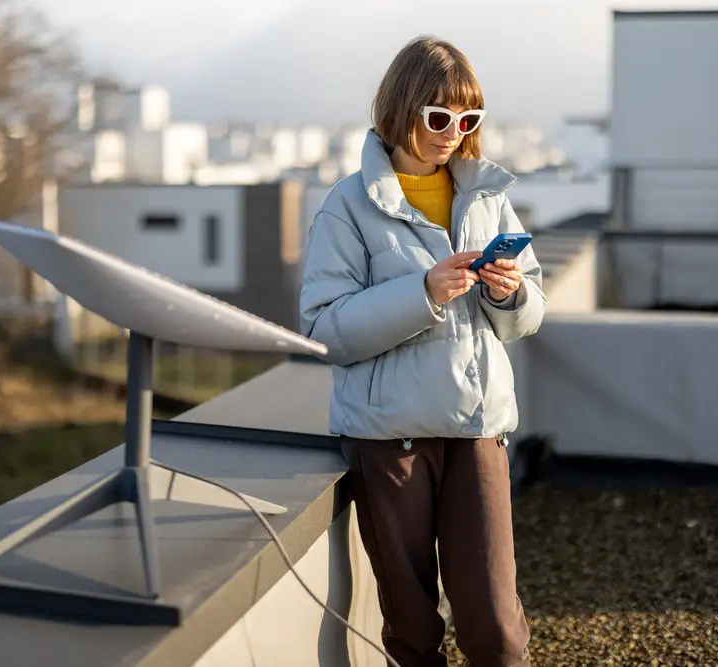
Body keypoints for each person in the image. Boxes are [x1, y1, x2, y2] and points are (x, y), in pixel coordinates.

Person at [299, 36, 545, 667]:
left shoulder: (489, 195)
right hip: (389, 440)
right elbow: (323, 330)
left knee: (496, 629)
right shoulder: (347, 206)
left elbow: (526, 319)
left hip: (477, 429)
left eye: (468, 120)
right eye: (440, 117)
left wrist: (511, 294)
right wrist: (424, 291)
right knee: (412, 630)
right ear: (402, 108)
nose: (453, 133)